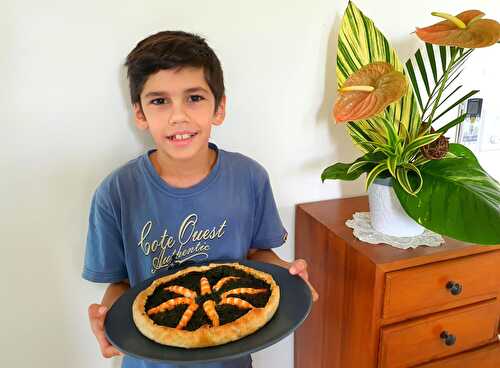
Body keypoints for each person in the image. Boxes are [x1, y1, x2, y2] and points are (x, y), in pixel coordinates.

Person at [83, 30, 318, 368]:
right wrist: (108, 321)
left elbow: (257, 255)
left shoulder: (250, 177)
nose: (178, 116)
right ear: (140, 114)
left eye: (194, 98)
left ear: (219, 108)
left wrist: (288, 273)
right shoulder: (115, 193)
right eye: (159, 100)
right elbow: (119, 285)